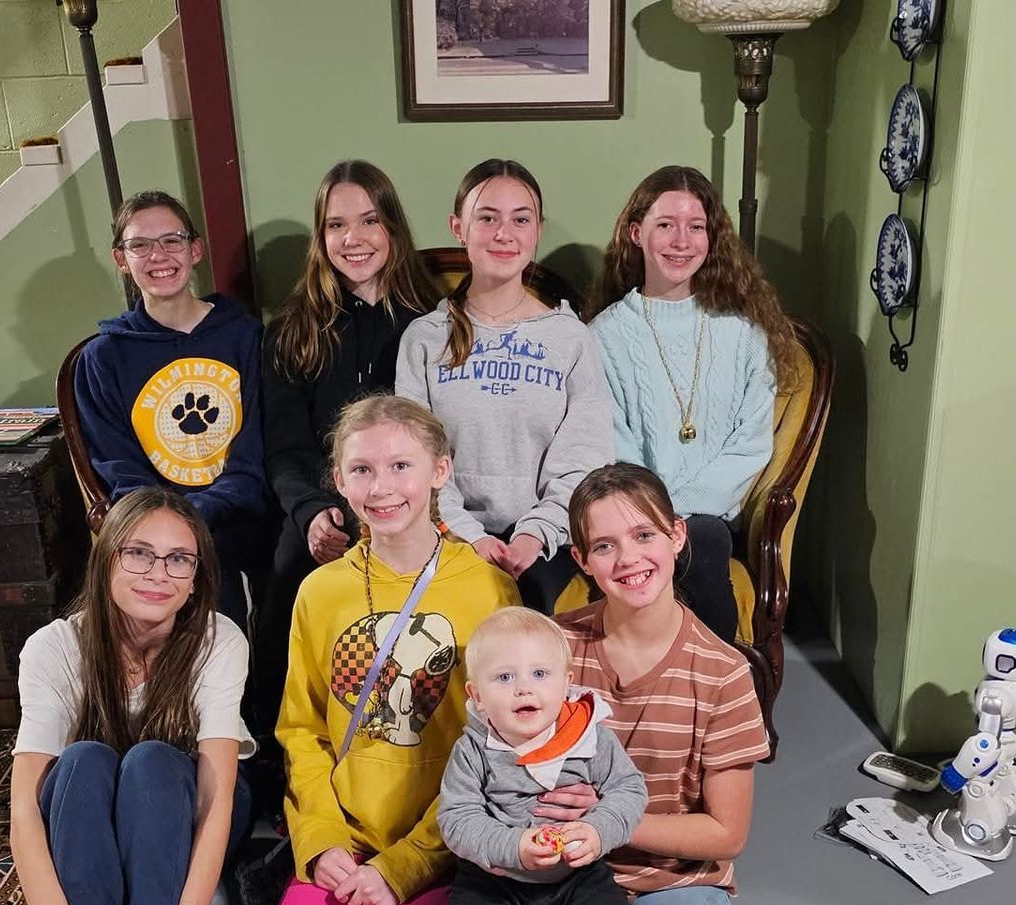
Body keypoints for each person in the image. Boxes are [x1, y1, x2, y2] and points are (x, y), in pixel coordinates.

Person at [473, 463, 770, 905]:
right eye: (604, 545)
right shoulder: (548, 651)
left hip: (676, 883)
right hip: (552, 881)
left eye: (644, 536)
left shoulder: (724, 673)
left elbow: (725, 834)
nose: (627, 558)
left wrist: (604, 825)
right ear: (581, 558)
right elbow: (495, 775)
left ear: (678, 536)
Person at [261, 394, 520, 905]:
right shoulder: (320, 591)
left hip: (439, 849)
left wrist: (406, 865)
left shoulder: (489, 591)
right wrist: (320, 842)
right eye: (362, 470)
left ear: (440, 470)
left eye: (401, 464)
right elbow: (300, 729)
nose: (382, 488)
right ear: (340, 483)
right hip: (342, 840)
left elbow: (501, 751)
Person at [7, 487, 254, 905]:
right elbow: (23, 813)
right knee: (86, 760)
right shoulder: (54, 648)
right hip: (90, 810)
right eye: (138, 554)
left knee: (149, 761)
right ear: (106, 559)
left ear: (196, 577)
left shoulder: (219, 640)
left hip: (188, 804)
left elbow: (217, 797)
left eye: (179, 559)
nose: (158, 573)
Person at [387, 607, 652, 905]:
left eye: (540, 674)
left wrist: (596, 832)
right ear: (478, 696)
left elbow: (630, 793)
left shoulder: (592, 738)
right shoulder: (473, 750)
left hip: (575, 877)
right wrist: (514, 847)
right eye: (504, 677)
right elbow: (458, 820)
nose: (524, 688)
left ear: (566, 682)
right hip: (495, 882)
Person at [255, 161, 440, 758]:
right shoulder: (293, 330)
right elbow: (284, 449)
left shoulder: (433, 320)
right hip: (325, 497)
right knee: (289, 565)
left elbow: (443, 433)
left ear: (393, 227)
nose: (353, 239)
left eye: (369, 221)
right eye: (337, 225)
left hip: (413, 499)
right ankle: (278, 751)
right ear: (321, 236)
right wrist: (312, 511)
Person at [584, 166, 795, 645]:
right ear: (637, 234)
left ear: (711, 238)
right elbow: (613, 440)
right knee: (671, 544)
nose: (681, 241)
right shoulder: (604, 336)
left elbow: (750, 442)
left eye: (696, 227)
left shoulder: (743, 333)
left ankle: (717, 696)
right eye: (665, 225)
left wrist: (681, 515)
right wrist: (656, 520)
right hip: (633, 514)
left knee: (704, 539)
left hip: (712, 516)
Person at [395, 158, 614, 615]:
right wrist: (467, 534)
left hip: (542, 537)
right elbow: (413, 457)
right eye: (487, 218)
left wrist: (538, 531)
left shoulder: (570, 338)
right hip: (448, 530)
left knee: (526, 613)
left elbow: (585, 456)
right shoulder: (424, 337)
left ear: (538, 230)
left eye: (521, 219)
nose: (504, 233)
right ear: (459, 226)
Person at [74, 190, 265, 628]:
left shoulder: (245, 337)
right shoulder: (104, 358)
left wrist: (206, 510)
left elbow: (255, 448)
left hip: (243, 514)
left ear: (195, 250)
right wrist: (174, 521)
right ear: (122, 259)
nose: (158, 256)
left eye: (172, 241)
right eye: (140, 245)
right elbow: (119, 468)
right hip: (157, 531)